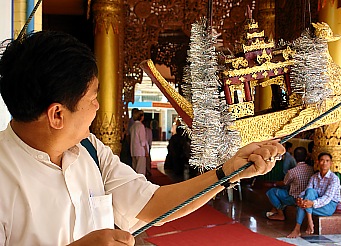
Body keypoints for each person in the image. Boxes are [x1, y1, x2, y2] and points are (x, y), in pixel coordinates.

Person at [0, 31, 285, 245]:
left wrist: (227, 172)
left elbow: (153, 202)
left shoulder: (89, 150)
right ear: (57, 115)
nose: (98, 107)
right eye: (93, 98)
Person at [287, 152, 341, 238]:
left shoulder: (334, 179)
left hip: (328, 206)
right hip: (314, 202)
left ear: (331, 163)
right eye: (322, 160)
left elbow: (327, 198)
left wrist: (311, 203)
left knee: (302, 206)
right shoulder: (314, 177)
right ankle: (309, 221)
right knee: (309, 192)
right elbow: (307, 191)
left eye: (327, 161)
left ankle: (298, 228)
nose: (325, 163)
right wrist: (300, 198)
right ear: (318, 162)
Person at [266, 147, 314, 221]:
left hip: (294, 199)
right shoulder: (312, 169)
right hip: (307, 198)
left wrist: (274, 184)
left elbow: (284, 183)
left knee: (271, 192)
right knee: (286, 189)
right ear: (306, 157)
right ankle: (275, 208)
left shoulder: (292, 171)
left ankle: (280, 213)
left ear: (294, 157)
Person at [129, 109, 148, 175]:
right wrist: (146, 151)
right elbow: (142, 141)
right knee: (140, 170)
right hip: (140, 151)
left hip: (133, 150)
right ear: (141, 117)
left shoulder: (132, 126)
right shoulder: (140, 126)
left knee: (135, 169)